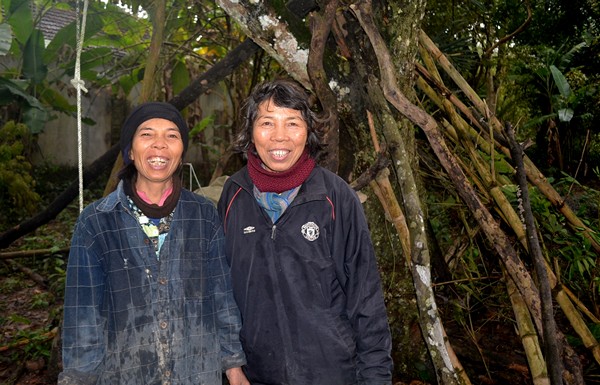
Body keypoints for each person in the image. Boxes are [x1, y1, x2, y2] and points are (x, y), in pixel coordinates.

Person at [59, 102, 249, 385]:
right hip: (126, 373)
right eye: (147, 134)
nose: (160, 145)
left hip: (196, 371)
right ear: (131, 151)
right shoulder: (97, 222)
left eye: (172, 136)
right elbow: (83, 314)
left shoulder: (204, 215)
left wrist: (234, 367)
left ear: (181, 150)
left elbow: (221, 295)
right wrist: (77, 378)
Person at [218, 80, 393, 385]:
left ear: (308, 131)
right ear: (250, 132)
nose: (279, 137)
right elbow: (219, 291)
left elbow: (366, 299)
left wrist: (375, 377)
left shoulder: (335, 197)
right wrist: (232, 367)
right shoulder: (234, 194)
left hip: (331, 373)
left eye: (292, 123)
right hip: (255, 375)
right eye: (267, 123)